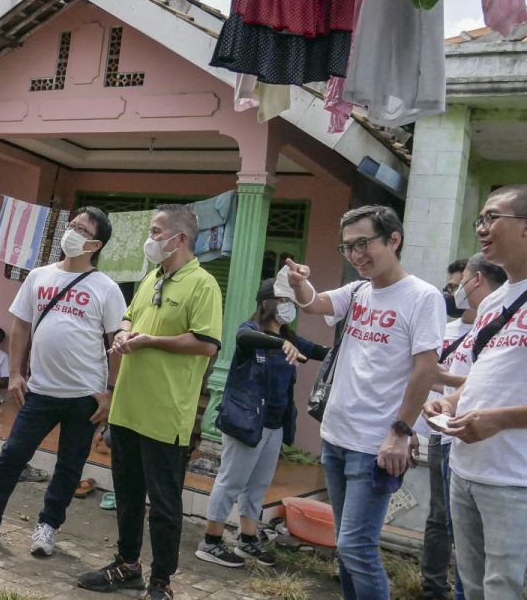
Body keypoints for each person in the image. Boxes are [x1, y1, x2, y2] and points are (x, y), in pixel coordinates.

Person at [286, 205, 445, 600]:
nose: (356, 255)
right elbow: (316, 303)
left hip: (375, 445)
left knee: (357, 547)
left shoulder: (422, 297)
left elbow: (425, 370)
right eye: (347, 248)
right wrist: (299, 282)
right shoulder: (359, 290)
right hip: (336, 436)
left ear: (394, 240)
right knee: (346, 547)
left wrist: (400, 432)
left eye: (363, 244)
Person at [0, 207, 125, 557]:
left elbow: (118, 344)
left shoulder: (106, 288)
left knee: (69, 465)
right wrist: (17, 373)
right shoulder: (39, 276)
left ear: (94, 244)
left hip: (85, 397)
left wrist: (110, 392)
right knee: (13, 454)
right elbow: (20, 325)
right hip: (40, 390)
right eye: (72, 225)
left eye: (81, 229)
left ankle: (47, 527)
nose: (71, 232)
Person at [77, 204, 222, 600]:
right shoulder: (151, 278)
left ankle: (162, 582)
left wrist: (151, 341)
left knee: (163, 506)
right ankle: (127, 566)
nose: (151, 238)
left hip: (165, 416)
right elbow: (129, 317)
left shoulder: (203, 284)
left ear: (180, 239)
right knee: (126, 495)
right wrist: (124, 333)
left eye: (157, 232)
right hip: (127, 409)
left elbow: (207, 344)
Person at [424, 185, 527, 600]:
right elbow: (486, 375)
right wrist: (450, 403)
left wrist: (500, 420)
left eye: (491, 217)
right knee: (474, 587)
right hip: (465, 469)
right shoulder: (492, 302)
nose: (481, 228)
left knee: (508, 590)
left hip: (518, 479)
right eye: (479, 219)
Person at [196, 279, 329, 569]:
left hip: (274, 425)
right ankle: (211, 541)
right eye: (284, 301)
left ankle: (247, 538)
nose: (290, 307)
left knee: (258, 485)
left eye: (293, 303)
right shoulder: (251, 331)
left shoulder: (291, 338)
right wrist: (281, 343)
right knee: (231, 481)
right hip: (246, 422)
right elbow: (244, 339)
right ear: (268, 303)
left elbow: (320, 352)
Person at [422, 253, 506, 600]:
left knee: (466, 531)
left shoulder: (493, 328)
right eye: (450, 286)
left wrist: (447, 378)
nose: (454, 293)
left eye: (460, 285)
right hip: (441, 433)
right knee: (439, 520)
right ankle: (434, 588)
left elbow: (484, 383)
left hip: (478, 442)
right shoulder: (446, 329)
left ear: (478, 281)